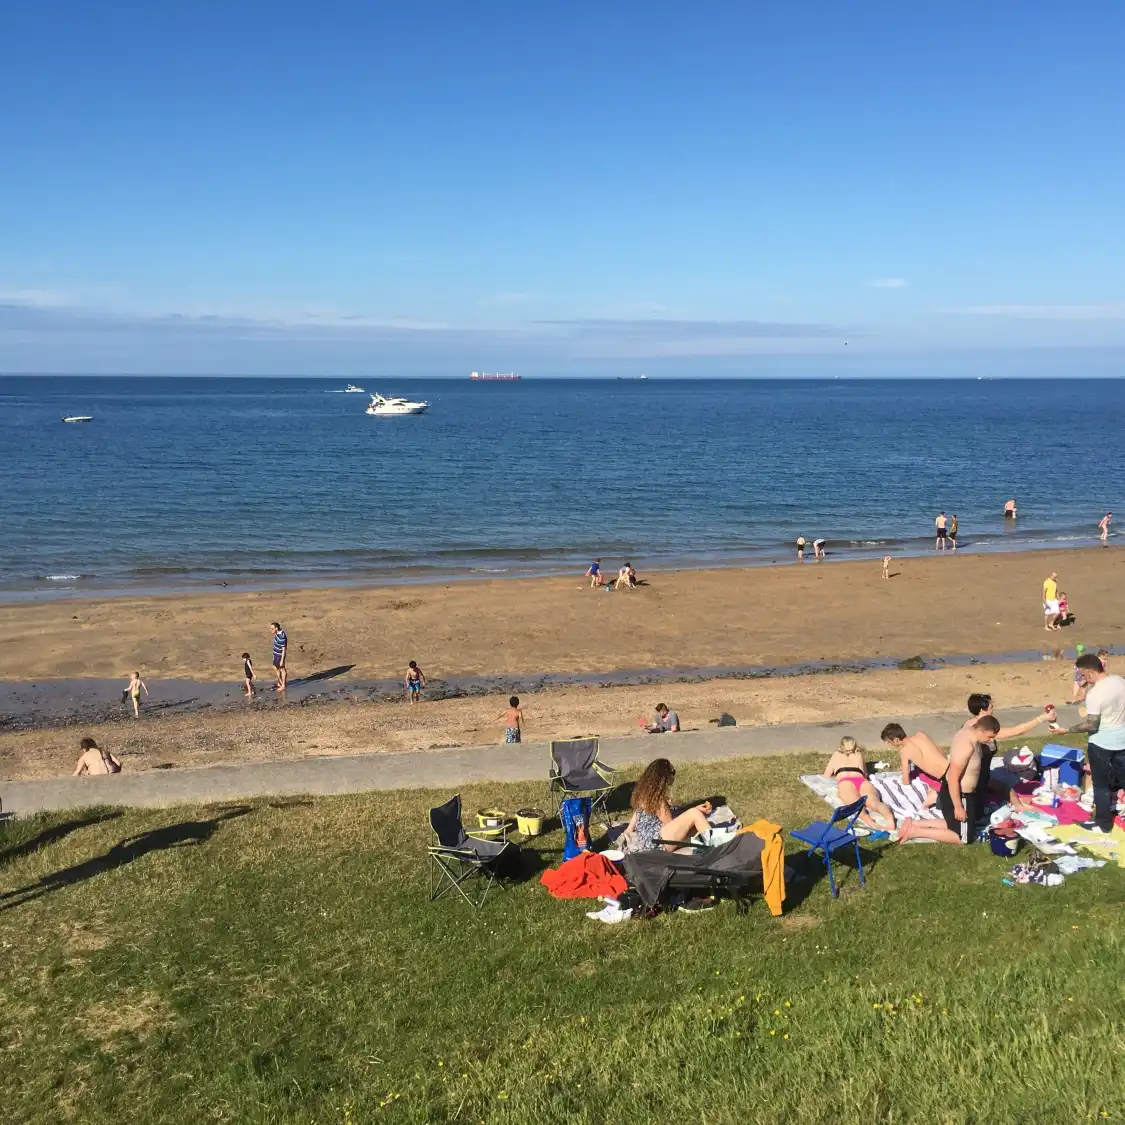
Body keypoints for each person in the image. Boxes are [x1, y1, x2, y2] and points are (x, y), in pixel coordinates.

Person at [897, 715, 1001, 844]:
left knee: (958, 824)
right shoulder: (967, 746)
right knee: (963, 838)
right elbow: (953, 776)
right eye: (989, 737)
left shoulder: (968, 730)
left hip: (961, 793)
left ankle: (915, 823)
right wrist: (958, 806)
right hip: (960, 794)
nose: (990, 740)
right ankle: (914, 832)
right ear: (980, 730)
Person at [1061, 653, 1125, 833]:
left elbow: (1092, 724)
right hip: (1122, 740)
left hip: (1101, 744)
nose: (1081, 678)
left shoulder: (1095, 694)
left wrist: (1067, 730)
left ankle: (1103, 824)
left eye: (1082, 674)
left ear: (1089, 672)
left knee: (1101, 785)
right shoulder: (1119, 680)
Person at [620, 758, 713, 852]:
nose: (673, 776)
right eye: (672, 772)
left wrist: (629, 829)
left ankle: (706, 840)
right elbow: (671, 823)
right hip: (656, 843)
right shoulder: (658, 800)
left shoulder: (643, 794)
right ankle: (717, 848)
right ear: (664, 777)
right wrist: (693, 812)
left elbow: (637, 814)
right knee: (695, 815)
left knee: (700, 824)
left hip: (645, 840)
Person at [822, 737, 895, 829]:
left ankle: (871, 823)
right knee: (875, 803)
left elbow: (826, 775)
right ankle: (890, 820)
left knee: (856, 806)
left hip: (845, 782)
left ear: (841, 746)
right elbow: (865, 774)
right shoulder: (858, 755)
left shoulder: (836, 755)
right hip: (861, 781)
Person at [880, 723, 948, 808]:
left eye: (889, 742)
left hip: (945, 779)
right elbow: (941, 753)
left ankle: (936, 792)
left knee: (922, 776)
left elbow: (906, 781)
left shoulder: (904, 751)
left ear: (896, 740)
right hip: (951, 767)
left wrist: (905, 772)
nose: (889, 745)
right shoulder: (921, 735)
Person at [270, 622, 288, 690]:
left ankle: (283, 685)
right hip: (276, 654)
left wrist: (282, 660)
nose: (271, 630)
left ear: (276, 628)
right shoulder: (277, 633)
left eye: (272, 629)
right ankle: (280, 682)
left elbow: (284, 650)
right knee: (275, 667)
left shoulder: (282, 637)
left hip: (280, 655)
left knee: (282, 669)